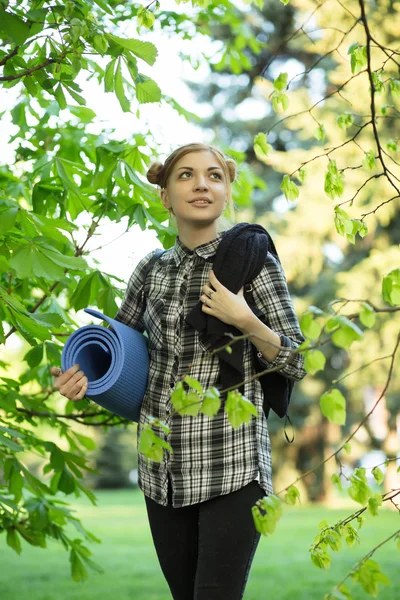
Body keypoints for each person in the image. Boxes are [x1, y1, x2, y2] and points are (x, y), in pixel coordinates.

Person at [50, 142, 306, 599]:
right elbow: (117, 356)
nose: (201, 184)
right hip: (161, 468)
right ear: (166, 195)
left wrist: (244, 318)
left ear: (226, 190)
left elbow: (296, 360)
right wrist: (80, 380)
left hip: (231, 460)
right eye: (185, 175)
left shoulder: (256, 264)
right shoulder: (150, 270)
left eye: (213, 175)